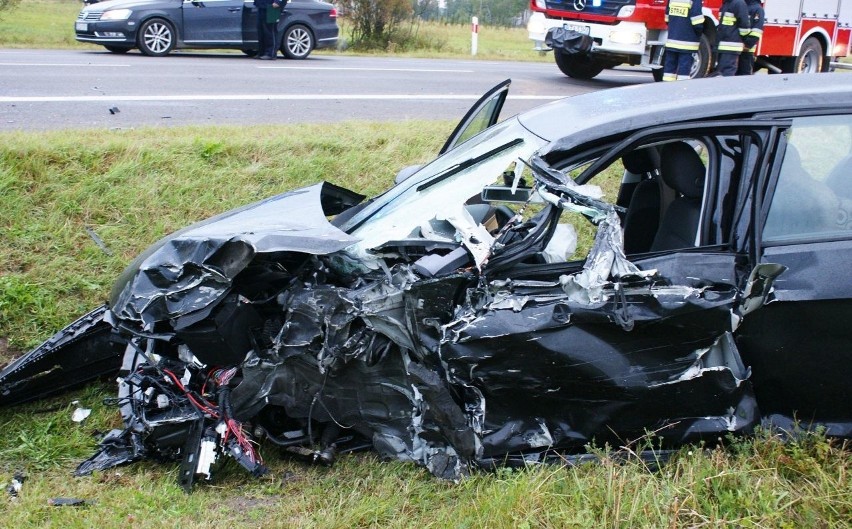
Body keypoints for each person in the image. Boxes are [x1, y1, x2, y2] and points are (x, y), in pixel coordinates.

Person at [662, 0, 705, 81]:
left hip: (672, 40)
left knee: (669, 72)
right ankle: (681, 90)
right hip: (687, 43)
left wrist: (674, 29)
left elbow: (667, 18)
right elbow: (697, 22)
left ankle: (666, 88)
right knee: (683, 73)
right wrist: (698, 34)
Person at [715, 0, 751, 76]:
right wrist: (746, 40)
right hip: (733, 45)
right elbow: (744, 25)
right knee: (728, 71)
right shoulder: (740, 3)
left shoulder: (725, 4)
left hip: (722, 44)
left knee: (721, 71)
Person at [737, 0, 765, 75]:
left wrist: (747, 44)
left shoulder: (758, 9)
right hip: (737, 49)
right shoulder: (741, 6)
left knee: (744, 75)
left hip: (747, 51)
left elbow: (757, 30)